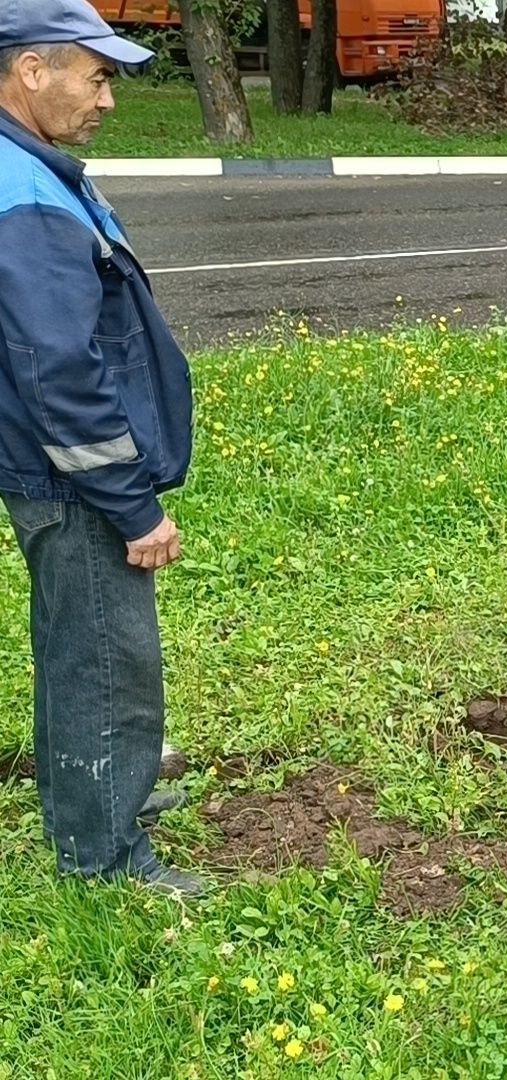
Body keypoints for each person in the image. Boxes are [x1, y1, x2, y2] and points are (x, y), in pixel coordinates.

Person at [0, 2, 201, 897]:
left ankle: (95, 794)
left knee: (72, 643)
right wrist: (131, 502)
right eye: (98, 74)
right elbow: (59, 371)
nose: (108, 98)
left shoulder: (25, 169)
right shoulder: (24, 193)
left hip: (48, 469)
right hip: (73, 479)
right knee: (107, 657)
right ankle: (104, 859)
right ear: (31, 72)